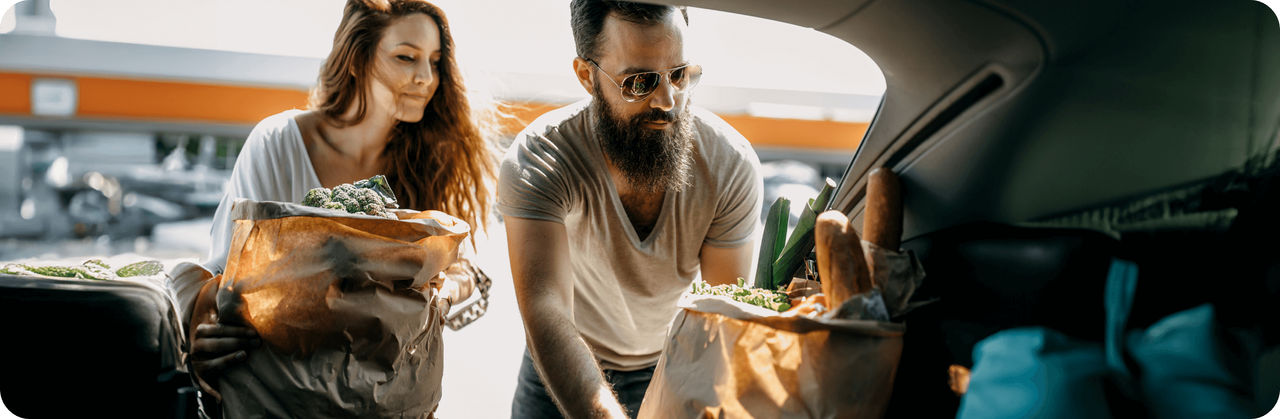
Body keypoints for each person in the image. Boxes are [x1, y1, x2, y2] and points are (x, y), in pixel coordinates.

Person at [169, 0, 495, 404]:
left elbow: (458, 265)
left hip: (381, 393)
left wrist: (441, 295)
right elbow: (228, 271)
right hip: (282, 391)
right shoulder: (279, 143)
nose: (426, 78)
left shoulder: (429, 161)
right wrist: (205, 329)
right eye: (406, 57)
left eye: (434, 61)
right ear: (357, 59)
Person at [498, 1, 763, 417]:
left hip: (668, 365)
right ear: (587, 76)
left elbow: (721, 319)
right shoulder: (541, 158)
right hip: (562, 359)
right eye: (640, 82)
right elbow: (546, 309)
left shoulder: (730, 164)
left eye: (679, 75)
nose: (668, 101)